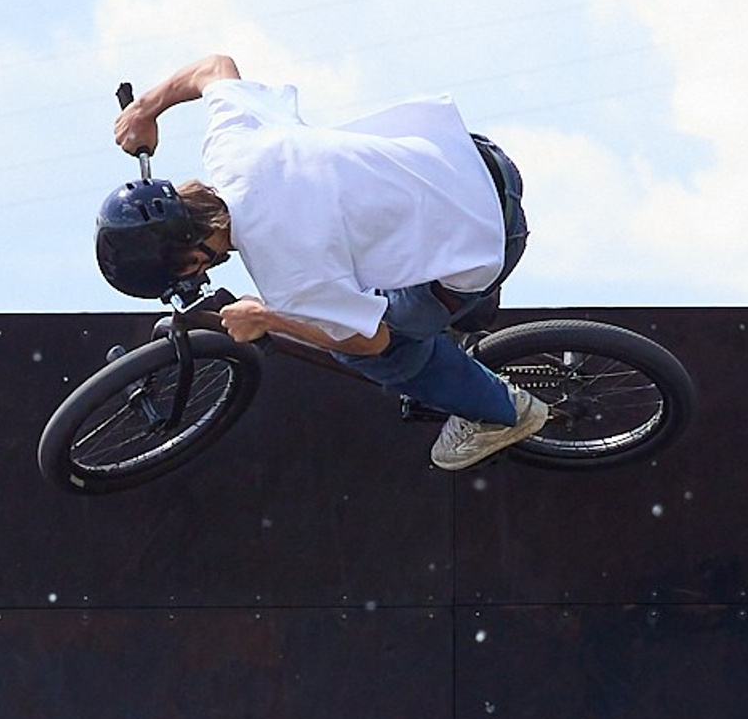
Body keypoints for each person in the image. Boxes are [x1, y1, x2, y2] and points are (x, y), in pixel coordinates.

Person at [95, 54, 545, 473]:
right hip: (478, 160)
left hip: (495, 235)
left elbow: (370, 340)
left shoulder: (287, 275)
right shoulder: (231, 144)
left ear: (194, 259)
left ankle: (504, 413)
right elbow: (214, 66)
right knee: (352, 265)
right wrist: (145, 110)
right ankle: (460, 305)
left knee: (372, 347)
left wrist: (269, 317)